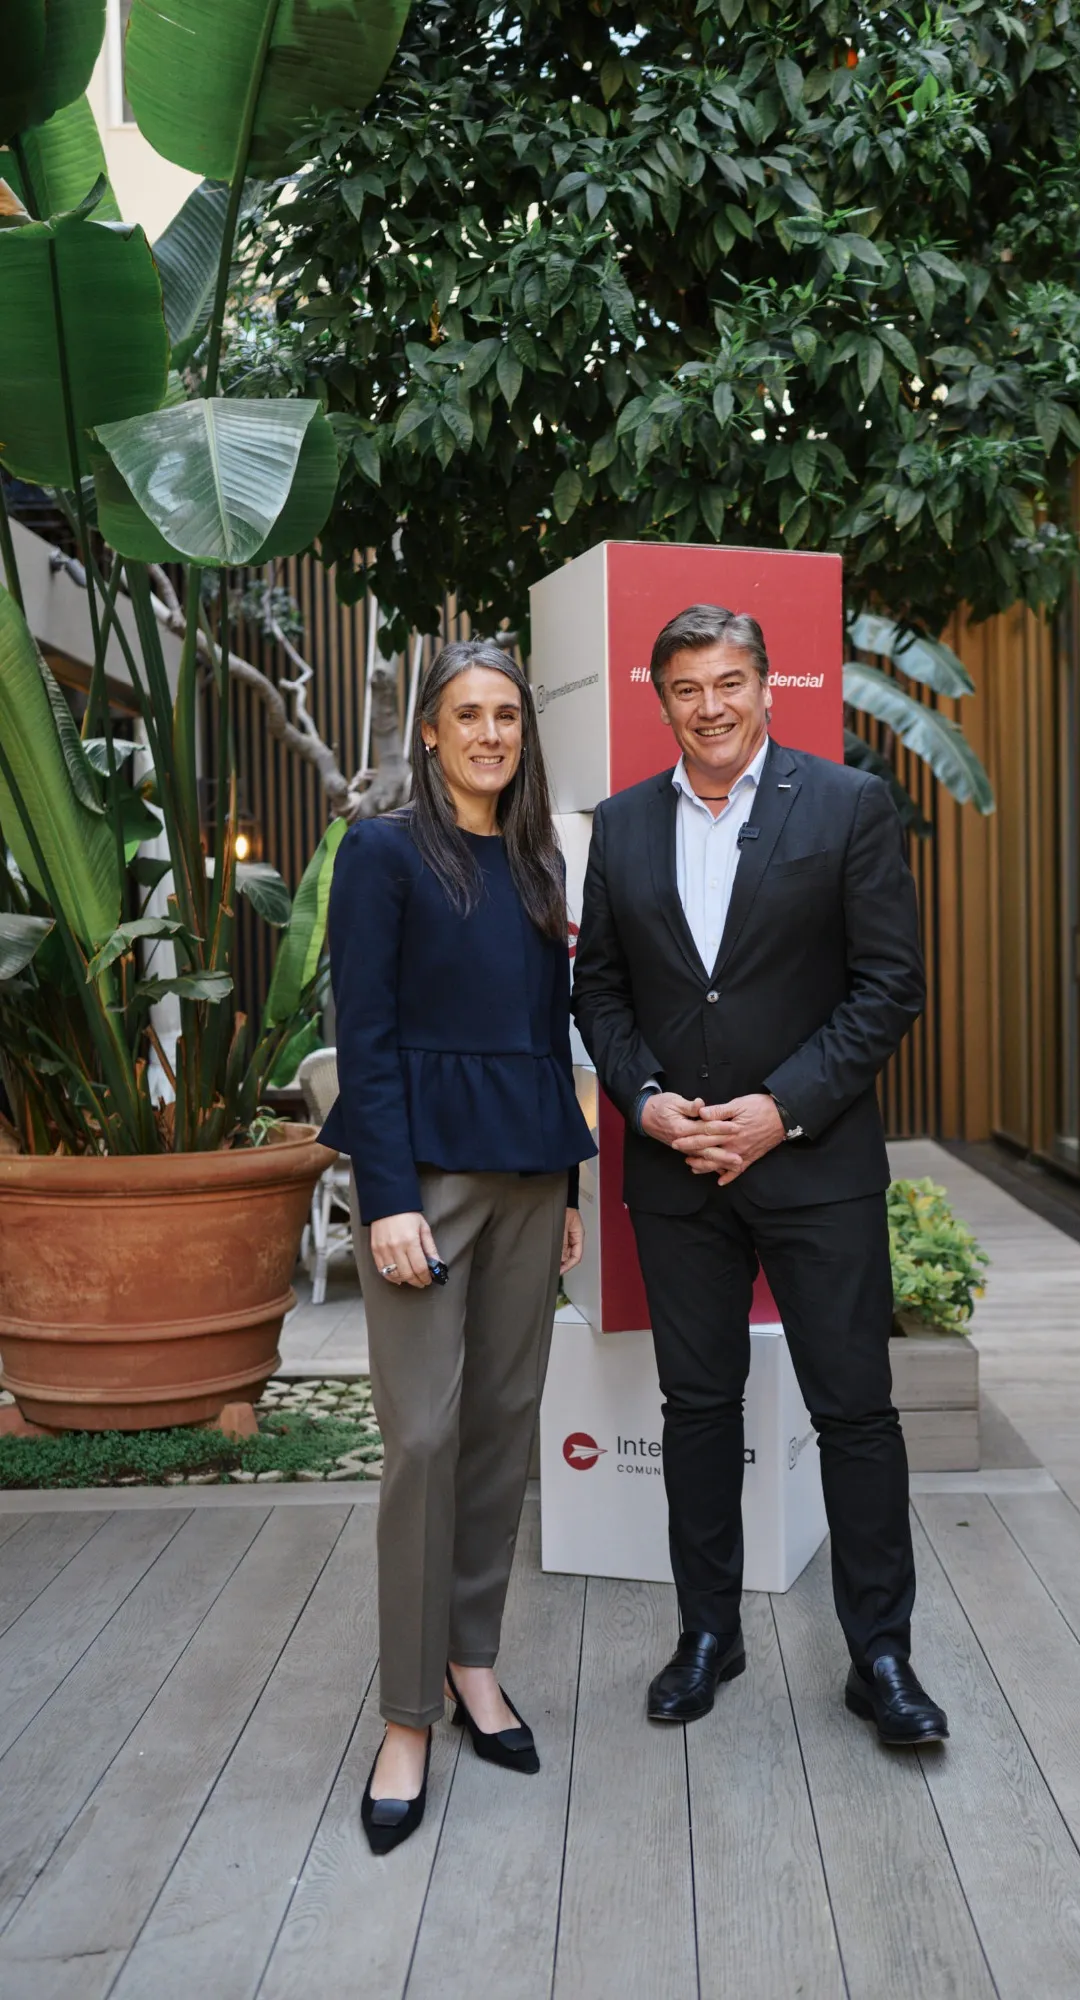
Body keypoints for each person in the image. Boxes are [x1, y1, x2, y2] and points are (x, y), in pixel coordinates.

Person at [572, 603, 948, 1747]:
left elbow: (888, 984)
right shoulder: (621, 825)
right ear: (661, 700)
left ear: (766, 684)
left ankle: (881, 1655)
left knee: (856, 1410)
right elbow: (599, 990)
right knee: (697, 1409)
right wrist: (644, 1100)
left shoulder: (846, 804)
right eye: (686, 687)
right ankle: (707, 1633)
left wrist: (779, 1109)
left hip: (817, 1165)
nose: (711, 706)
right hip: (677, 1171)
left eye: (729, 680)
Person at [321, 638, 596, 1855]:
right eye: (466, 714)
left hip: (532, 1175)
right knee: (424, 1438)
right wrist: (387, 1195)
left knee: (498, 1426)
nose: (489, 733)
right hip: (424, 1182)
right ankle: (406, 1714)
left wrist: (569, 1184)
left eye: (506, 715)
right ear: (428, 732)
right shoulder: (382, 852)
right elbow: (366, 1033)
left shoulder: (537, 861)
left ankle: (472, 1659)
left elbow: (548, 1039)